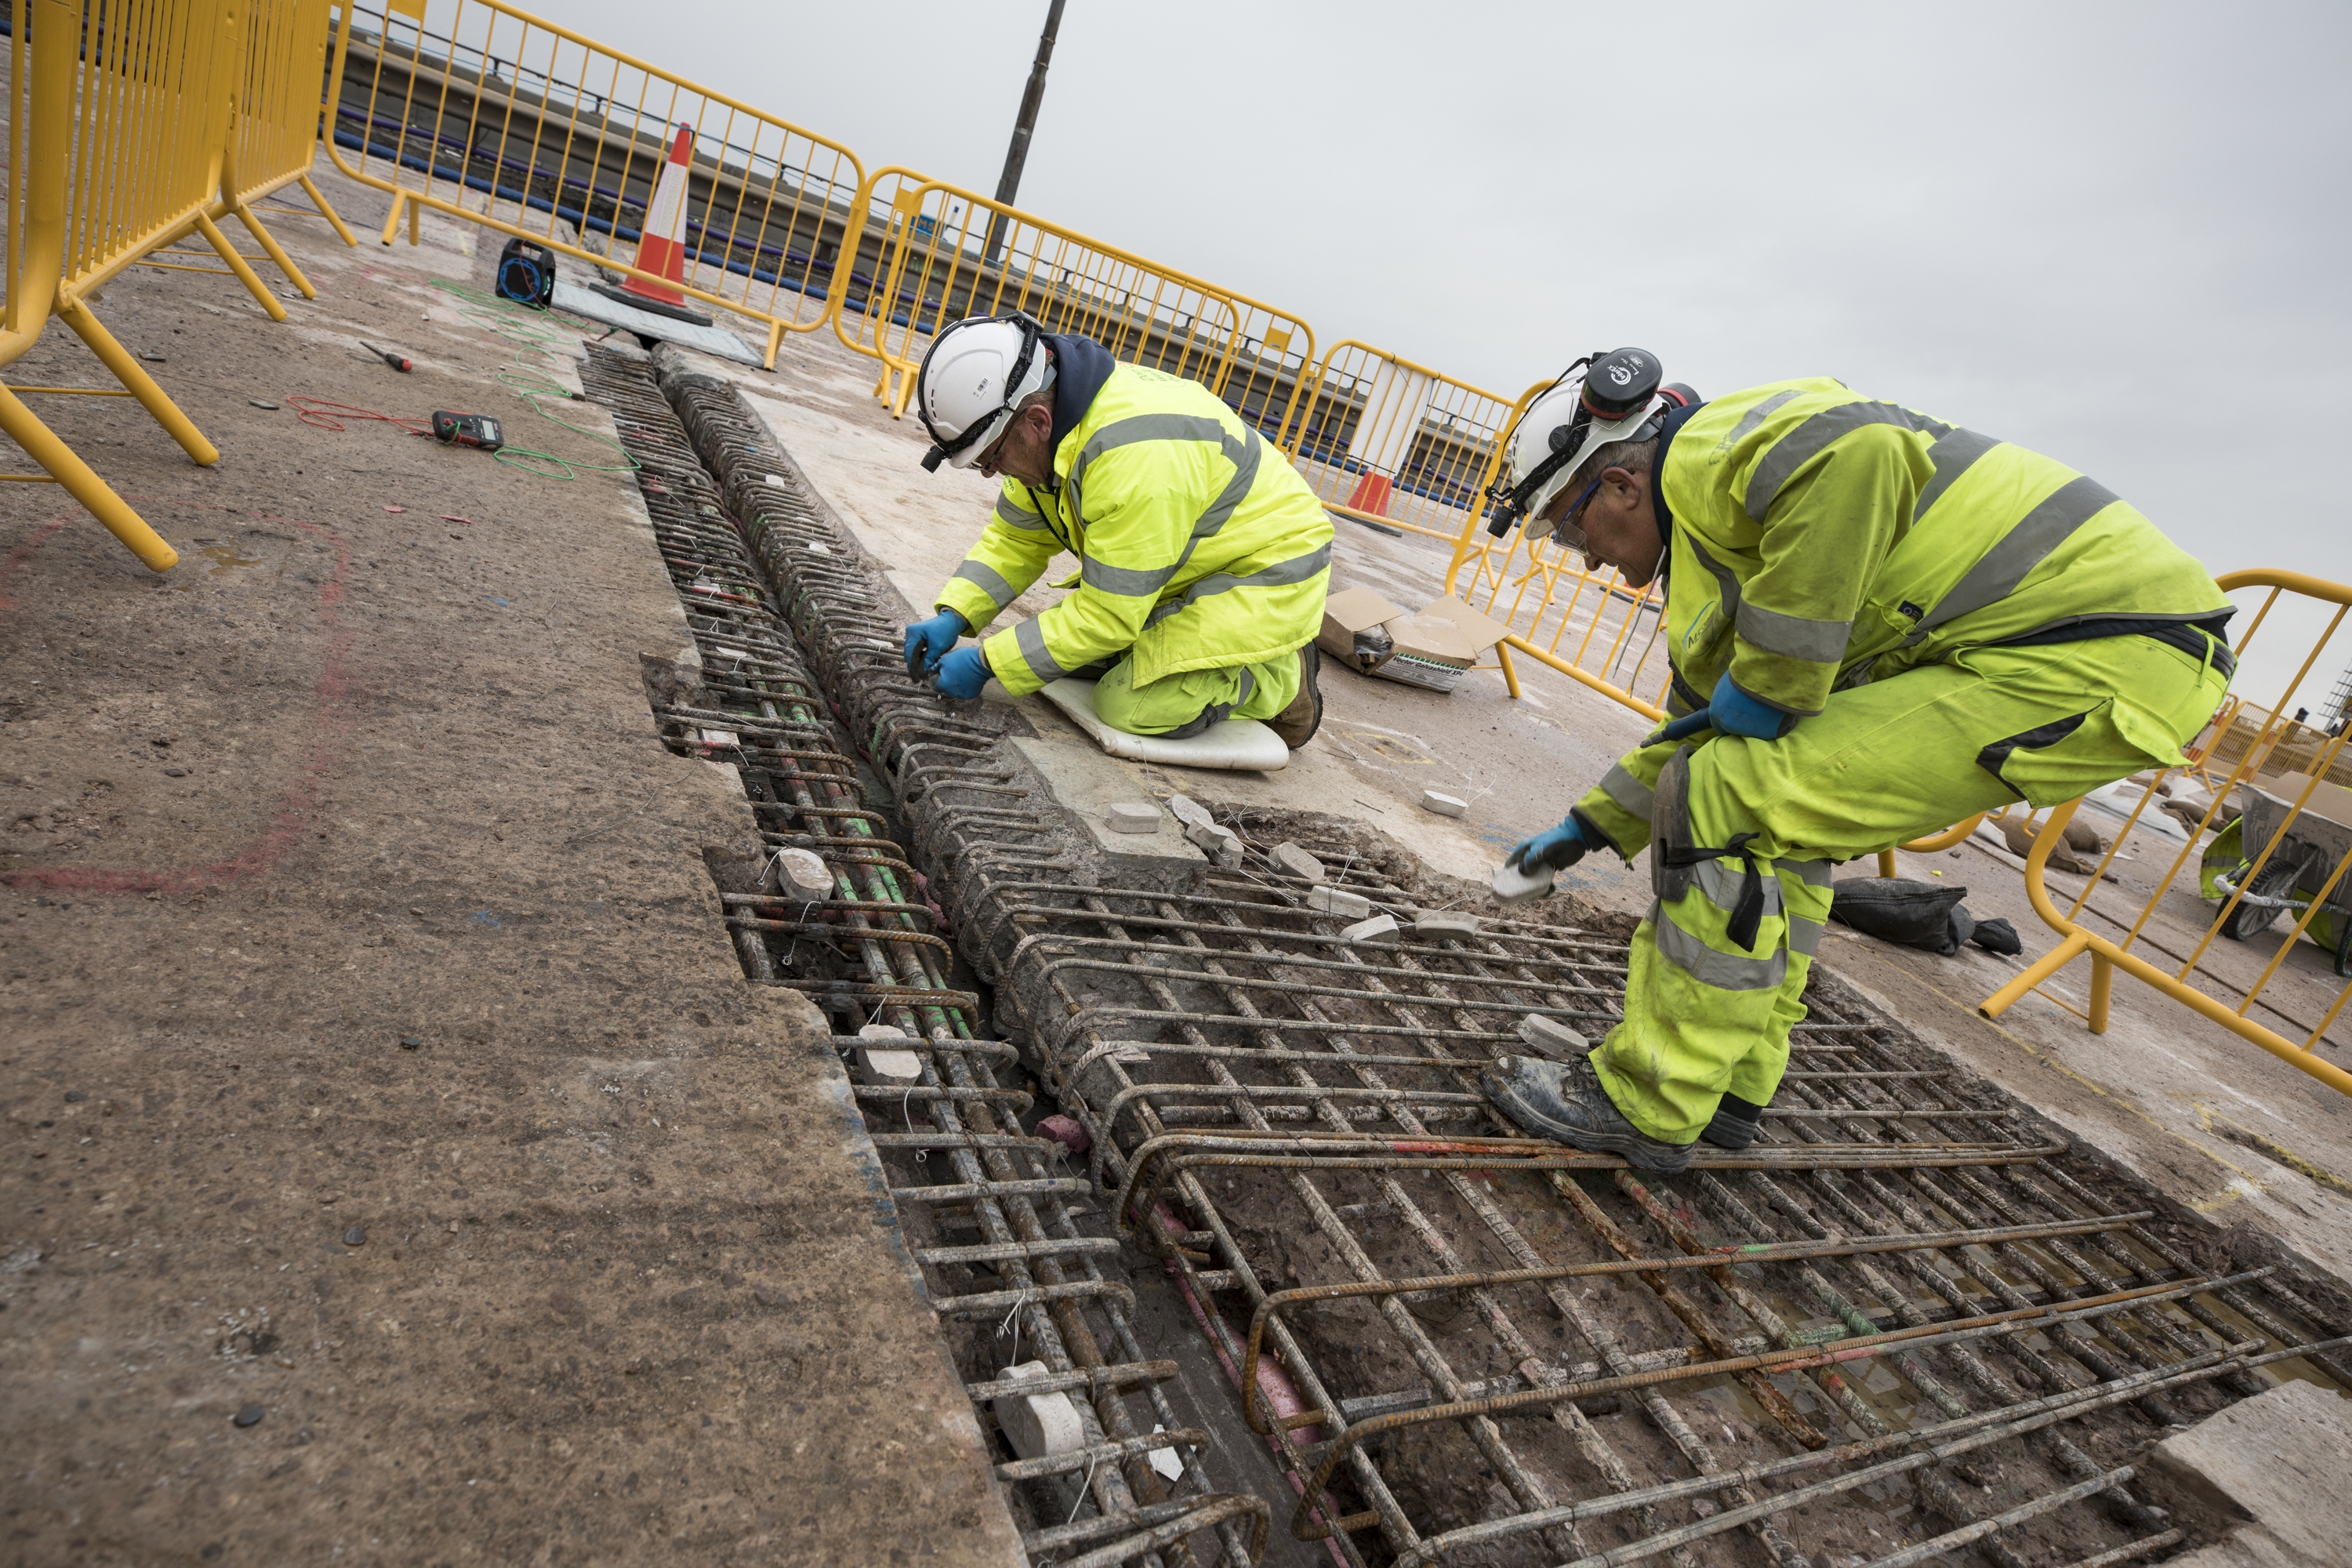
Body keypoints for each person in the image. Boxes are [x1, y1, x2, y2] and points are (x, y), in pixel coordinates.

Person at [1479, 348, 2234, 1172]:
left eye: (1565, 523)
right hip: (2075, 647)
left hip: (2094, 648)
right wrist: (1586, 826)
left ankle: (1649, 1099)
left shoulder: (1704, 452)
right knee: (1773, 818)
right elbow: (1700, 739)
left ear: (1620, 486)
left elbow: (1861, 447)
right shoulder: (1718, 558)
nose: (1580, 554)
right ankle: (1729, 1083)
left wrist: (1772, 678)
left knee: (1729, 797)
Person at [899, 312, 1333, 746]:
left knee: (1129, 705)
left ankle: (1280, 677)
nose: (989, 475)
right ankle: (1178, 643)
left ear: (1036, 423)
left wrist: (986, 665)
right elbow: (1016, 541)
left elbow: (1106, 616)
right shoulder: (1051, 429)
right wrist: (954, 616)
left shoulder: (1135, 458)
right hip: (1190, 568)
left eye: (989, 459)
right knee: (1060, 657)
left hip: (1263, 577)